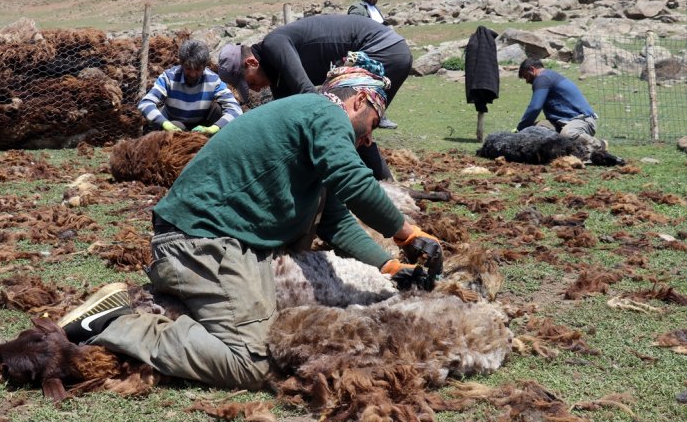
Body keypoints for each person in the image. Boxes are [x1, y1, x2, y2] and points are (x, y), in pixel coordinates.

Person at [58, 70, 442, 390]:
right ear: (359, 100)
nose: (370, 139)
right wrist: (406, 232)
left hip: (218, 241)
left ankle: (172, 313)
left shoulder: (311, 131)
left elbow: (337, 221)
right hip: (202, 242)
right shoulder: (325, 114)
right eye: (374, 123)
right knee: (253, 363)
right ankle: (118, 324)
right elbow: (355, 182)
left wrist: (390, 267)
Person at [217, 14, 412, 177]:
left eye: (250, 83)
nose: (256, 90)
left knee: (345, 123)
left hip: (382, 50)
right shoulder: (279, 80)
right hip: (387, 53)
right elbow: (287, 123)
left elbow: (309, 95)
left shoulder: (274, 43)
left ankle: (375, 191)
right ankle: (385, 187)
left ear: (251, 62)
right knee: (353, 129)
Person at [516, 58, 622, 163]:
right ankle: (558, 151)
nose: (527, 81)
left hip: (581, 120)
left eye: (526, 76)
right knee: (534, 130)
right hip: (560, 121)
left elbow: (535, 108)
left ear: (532, 69)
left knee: (568, 134)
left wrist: (520, 128)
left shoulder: (542, 78)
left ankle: (599, 144)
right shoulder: (548, 76)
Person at [138, 39, 242, 136]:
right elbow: (145, 103)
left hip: (202, 126)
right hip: (175, 126)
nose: (192, 74)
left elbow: (235, 109)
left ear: (205, 66)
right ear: (181, 64)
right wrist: (165, 123)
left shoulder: (213, 80)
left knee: (217, 110)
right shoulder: (169, 77)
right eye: (188, 68)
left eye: (197, 69)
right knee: (176, 126)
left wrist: (214, 128)